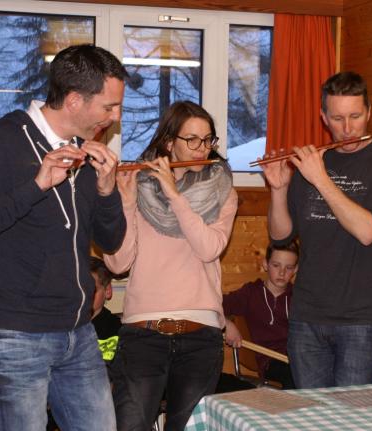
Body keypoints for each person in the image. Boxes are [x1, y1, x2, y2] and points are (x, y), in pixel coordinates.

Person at [0, 44, 128, 431]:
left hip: (78, 331)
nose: (115, 116)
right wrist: (37, 185)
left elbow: (111, 241)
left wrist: (108, 190)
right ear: (74, 100)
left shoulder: (86, 152)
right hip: (15, 336)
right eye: (109, 106)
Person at [261, 71, 372, 388]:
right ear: (324, 117)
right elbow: (281, 236)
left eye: (356, 116)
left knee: (350, 412)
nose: (348, 128)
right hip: (307, 315)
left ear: (369, 112)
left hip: (361, 320)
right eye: (338, 118)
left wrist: (321, 179)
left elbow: (367, 231)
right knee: (312, 411)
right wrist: (279, 190)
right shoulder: (313, 163)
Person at [104, 100, 238, 431]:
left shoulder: (222, 190)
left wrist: (175, 197)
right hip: (143, 332)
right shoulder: (140, 186)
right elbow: (118, 263)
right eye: (191, 140)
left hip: (201, 333)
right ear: (168, 143)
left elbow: (209, 248)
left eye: (207, 140)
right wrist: (126, 203)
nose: (201, 148)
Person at [222, 242, 298, 389]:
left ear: (295, 269)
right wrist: (226, 323)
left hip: (298, 359)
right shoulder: (250, 293)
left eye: (288, 267)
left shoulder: (300, 297)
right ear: (265, 264)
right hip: (271, 363)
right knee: (296, 378)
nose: (282, 272)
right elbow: (214, 305)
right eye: (276, 265)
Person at [90, 256, 122, 369]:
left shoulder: (117, 330)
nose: (83, 296)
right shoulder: (58, 328)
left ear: (107, 291)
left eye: (91, 290)